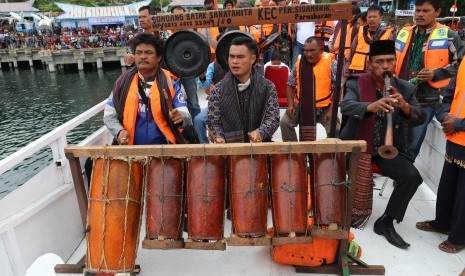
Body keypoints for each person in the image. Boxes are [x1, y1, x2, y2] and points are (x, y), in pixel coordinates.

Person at [340, 40, 425, 249]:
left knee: (412, 177)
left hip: (386, 149)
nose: (385, 66)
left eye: (390, 61)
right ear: (370, 64)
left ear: (395, 62)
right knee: (332, 167)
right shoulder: (356, 82)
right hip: (357, 146)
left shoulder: (404, 87)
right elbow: (346, 105)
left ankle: (386, 221)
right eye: (380, 62)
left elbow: (419, 117)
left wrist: (404, 105)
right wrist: (371, 106)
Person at [394, 0, 464, 161]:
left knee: (413, 142)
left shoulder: (449, 35)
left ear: (437, 12)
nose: (420, 14)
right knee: (394, 136)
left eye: (425, 11)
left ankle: (405, 177)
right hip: (400, 95)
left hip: (428, 99)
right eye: (417, 10)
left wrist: (436, 73)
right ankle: (396, 171)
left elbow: (461, 64)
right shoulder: (404, 32)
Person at [104, 33, 191, 145]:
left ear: (159, 57)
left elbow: (185, 114)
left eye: (148, 53)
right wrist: (119, 131)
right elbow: (109, 115)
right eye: (139, 53)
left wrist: (181, 117)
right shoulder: (122, 83)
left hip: (166, 150)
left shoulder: (171, 84)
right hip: (131, 150)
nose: (143, 56)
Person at [416, 61, 465, 254]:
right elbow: (449, 95)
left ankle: (459, 237)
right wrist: (444, 116)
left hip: (458, 129)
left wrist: (459, 124)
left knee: (463, 194)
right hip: (454, 136)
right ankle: (442, 222)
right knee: (447, 186)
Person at [207, 36, 280, 143]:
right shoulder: (218, 89)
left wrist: (260, 132)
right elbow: (213, 122)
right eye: (231, 57)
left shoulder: (267, 87)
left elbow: (273, 119)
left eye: (240, 57)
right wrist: (219, 136)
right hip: (229, 151)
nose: (235, 61)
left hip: (259, 149)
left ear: (253, 59)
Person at [280, 37, 337, 141]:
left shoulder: (332, 63)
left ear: (321, 49)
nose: (309, 54)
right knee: (285, 122)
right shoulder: (299, 62)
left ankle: (327, 154)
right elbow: (290, 84)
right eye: (306, 50)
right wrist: (291, 105)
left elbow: (339, 88)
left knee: (336, 129)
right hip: (301, 104)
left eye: (312, 50)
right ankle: (294, 154)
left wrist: (332, 110)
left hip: (324, 106)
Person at [346, 5, 394, 74]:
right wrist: (346, 74)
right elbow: (350, 56)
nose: (371, 19)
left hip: (378, 75)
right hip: (359, 74)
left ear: (380, 18)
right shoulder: (360, 34)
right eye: (369, 17)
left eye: (374, 17)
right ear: (366, 18)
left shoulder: (387, 35)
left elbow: (391, 60)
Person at [291, 0, 316, 67]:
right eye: (302, 4)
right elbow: (293, 28)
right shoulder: (297, 15)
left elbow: (320, 21)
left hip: (311, 45)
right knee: (295, 64)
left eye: (305, 4)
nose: (304, 5)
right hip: (298, 43)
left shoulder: (313, 15)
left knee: (311, 65)